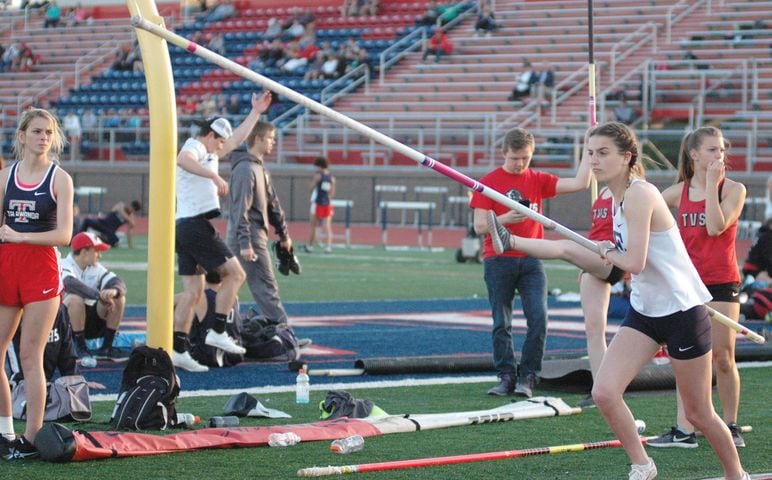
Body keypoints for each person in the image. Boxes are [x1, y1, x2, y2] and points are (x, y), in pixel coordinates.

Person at [470, 126, 591, 398]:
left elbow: (580, 183)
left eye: (525, 158)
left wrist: (589, 146)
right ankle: (505, 376)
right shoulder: (488, 181)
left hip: (533, 259)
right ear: (504, 153)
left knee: (539, 318)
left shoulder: (537, 179)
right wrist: (503, 221)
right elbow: (479, 226)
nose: (520, 164)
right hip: (498, 259)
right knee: (502, 321)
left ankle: (528, 376)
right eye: (515, 158)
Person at [652, 126, 747, 448]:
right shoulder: (677, 192)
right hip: (687, 282)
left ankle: (731, 424)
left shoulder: (733, 189)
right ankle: (684, 430)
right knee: (689, 357)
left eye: (721, 150)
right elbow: (647, 214)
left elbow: (716, 226)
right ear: (694, 154)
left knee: (722, 356)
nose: (719, 156)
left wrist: (709, 185)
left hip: (721, 280)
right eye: (712, 150)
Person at [172, 92, 270, 373]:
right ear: (211, 135)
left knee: (193, 291)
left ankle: (179, 349)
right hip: (194, 224)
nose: (222, 147)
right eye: (219, 141)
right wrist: (214, 177)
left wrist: (255, 113)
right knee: (236, 274)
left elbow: (237, 139)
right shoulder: (197, 146)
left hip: (184, 226)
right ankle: (218, 330)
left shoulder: (211, 151)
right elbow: (183, 158)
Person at [0, 108, 74, 459]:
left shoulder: (59, 179)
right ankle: (5, 432)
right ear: (22, 136)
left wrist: (19, 236)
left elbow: (64, 234)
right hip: (7, 268)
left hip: (41, 272)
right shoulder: (6, 177)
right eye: (37, 131)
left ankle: (31, 441)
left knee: (31, 356)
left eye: (48, 132)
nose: (43, 137)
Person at [225, 117, 297, 327]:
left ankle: (220, 327)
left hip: (252, 237)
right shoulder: (246, 170)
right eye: (270, 138)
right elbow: (241, 210)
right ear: (257, 139)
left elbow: (273, 205)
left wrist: (284, 235)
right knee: (266, 285)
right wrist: (246, 243)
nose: (273, 143)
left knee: (230, 284)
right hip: (248, 238)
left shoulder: (258, 168)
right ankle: (283, 331)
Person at [61, 231, 129, 364]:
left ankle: (106, 348)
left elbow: (117, 282)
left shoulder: (95, 268)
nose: (100, 255)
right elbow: (69, 283)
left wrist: (113, 291)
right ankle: (79, 347)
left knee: (119, 298)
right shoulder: (64, 264)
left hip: (90, 323)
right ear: (84, 252)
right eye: (96, 251)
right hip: (64, 327)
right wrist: (99, 296)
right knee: (75, 299)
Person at [305, 156, 336, 253]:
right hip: (327, 203)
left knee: (313, 225)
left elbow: (311, 188)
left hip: (317, 203)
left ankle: (310, 246)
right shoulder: (332, 178)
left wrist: (312, 192)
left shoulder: (318, 176)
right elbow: (332, 193)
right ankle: (328, 247)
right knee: (327, 226)